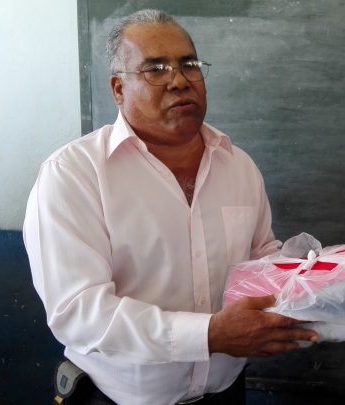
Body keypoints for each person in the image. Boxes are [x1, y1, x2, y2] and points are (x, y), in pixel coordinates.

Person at [23, 9, 317, 405]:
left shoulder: (239, 166)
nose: (179, 80)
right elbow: (79, 313)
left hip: (225, 391)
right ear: (117, 89)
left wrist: (309, 279)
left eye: (189, 65)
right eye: (155, 69)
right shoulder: (73, 176)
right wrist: (209, 335)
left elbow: (258, 255)